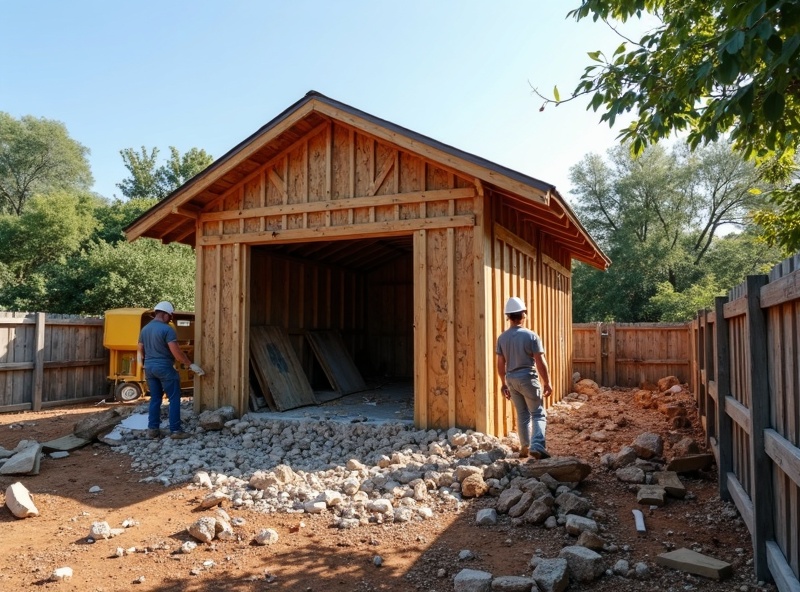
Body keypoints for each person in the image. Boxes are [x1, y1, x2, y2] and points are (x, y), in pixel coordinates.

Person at [495, 296, 553, 459]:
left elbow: (500, 364)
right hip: (527, 378)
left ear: (508, 317)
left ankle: (525, 447)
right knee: (538, 413)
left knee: (522, 414)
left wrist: (503, 383)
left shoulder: (502, 338)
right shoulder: (531, 336)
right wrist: (547, 382)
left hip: (511, 380)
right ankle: (537, 445)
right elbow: (540, 361)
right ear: (524, 315)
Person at [137, 301, 204, 439]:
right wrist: (190, 364)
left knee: (155, 398)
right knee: (174, 398)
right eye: (170, 316)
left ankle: (153, 430)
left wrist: (145, 363)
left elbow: (140, 351)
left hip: (149, 367)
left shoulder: (145, 329)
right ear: (165, 314)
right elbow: (176, 352)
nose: (171, 319)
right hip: (164, 367)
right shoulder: (167, 330)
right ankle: (175, 430)